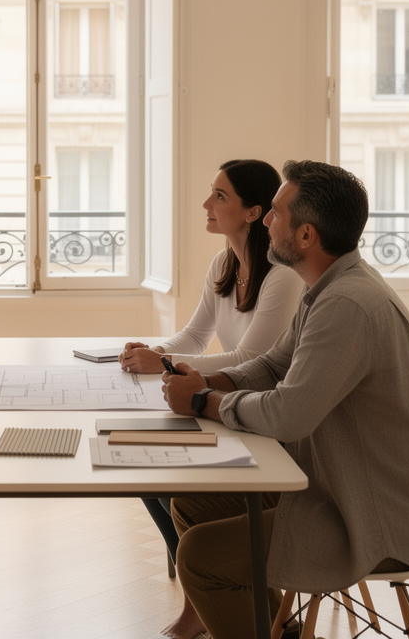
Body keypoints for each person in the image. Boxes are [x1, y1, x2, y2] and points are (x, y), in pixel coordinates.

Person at [157, 160, 409, 639]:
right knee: (192, 501)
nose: (267, 222)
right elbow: (273, 365)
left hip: (372, 514)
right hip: (341, 482)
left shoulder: (346, 306)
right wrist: (216, 382)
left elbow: (288, 415)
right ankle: (282, 630)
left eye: (275, 213)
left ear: (307, 235)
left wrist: (203, 403)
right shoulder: (329, 288)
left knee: (201, 558)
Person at [118, 159, 303, 636]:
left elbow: (251, 359)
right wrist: (155, 349)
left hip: (262, 418)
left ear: (252, 211)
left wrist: (163, 367)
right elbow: (195, 338)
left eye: (220, 196)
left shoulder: (281, 277)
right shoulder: (223, 263)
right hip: (229, 406)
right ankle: (204, 592)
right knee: (145, 468)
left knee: (175, 480)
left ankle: (212, 590)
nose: (206, 204)